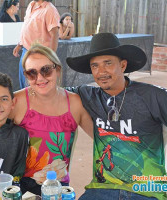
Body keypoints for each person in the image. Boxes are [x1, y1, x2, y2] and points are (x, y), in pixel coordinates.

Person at [66, 32, 167, 200]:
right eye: (95, 66)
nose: (101, 71)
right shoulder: (87, 95)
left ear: (123, 65)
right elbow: (52, 95)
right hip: (102, 188)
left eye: (108, 63)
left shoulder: (152, 96)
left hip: (148, 190)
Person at [10, 43, 93, 195]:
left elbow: (101, 137)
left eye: (46, 70)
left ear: (58, 70)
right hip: (19, 185)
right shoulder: (17, 101)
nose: (40, 78)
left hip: (56, 186)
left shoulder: (74, 103)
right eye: (31, 73)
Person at [13, 0, 60, 89]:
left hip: (39, 55)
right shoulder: (31, 5)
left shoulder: (50, 9)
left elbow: (55, 34)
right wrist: (20, 44)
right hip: (25, 51)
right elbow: (27, 27)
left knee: (33, 87)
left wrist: (50, 57)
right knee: (24, 86)